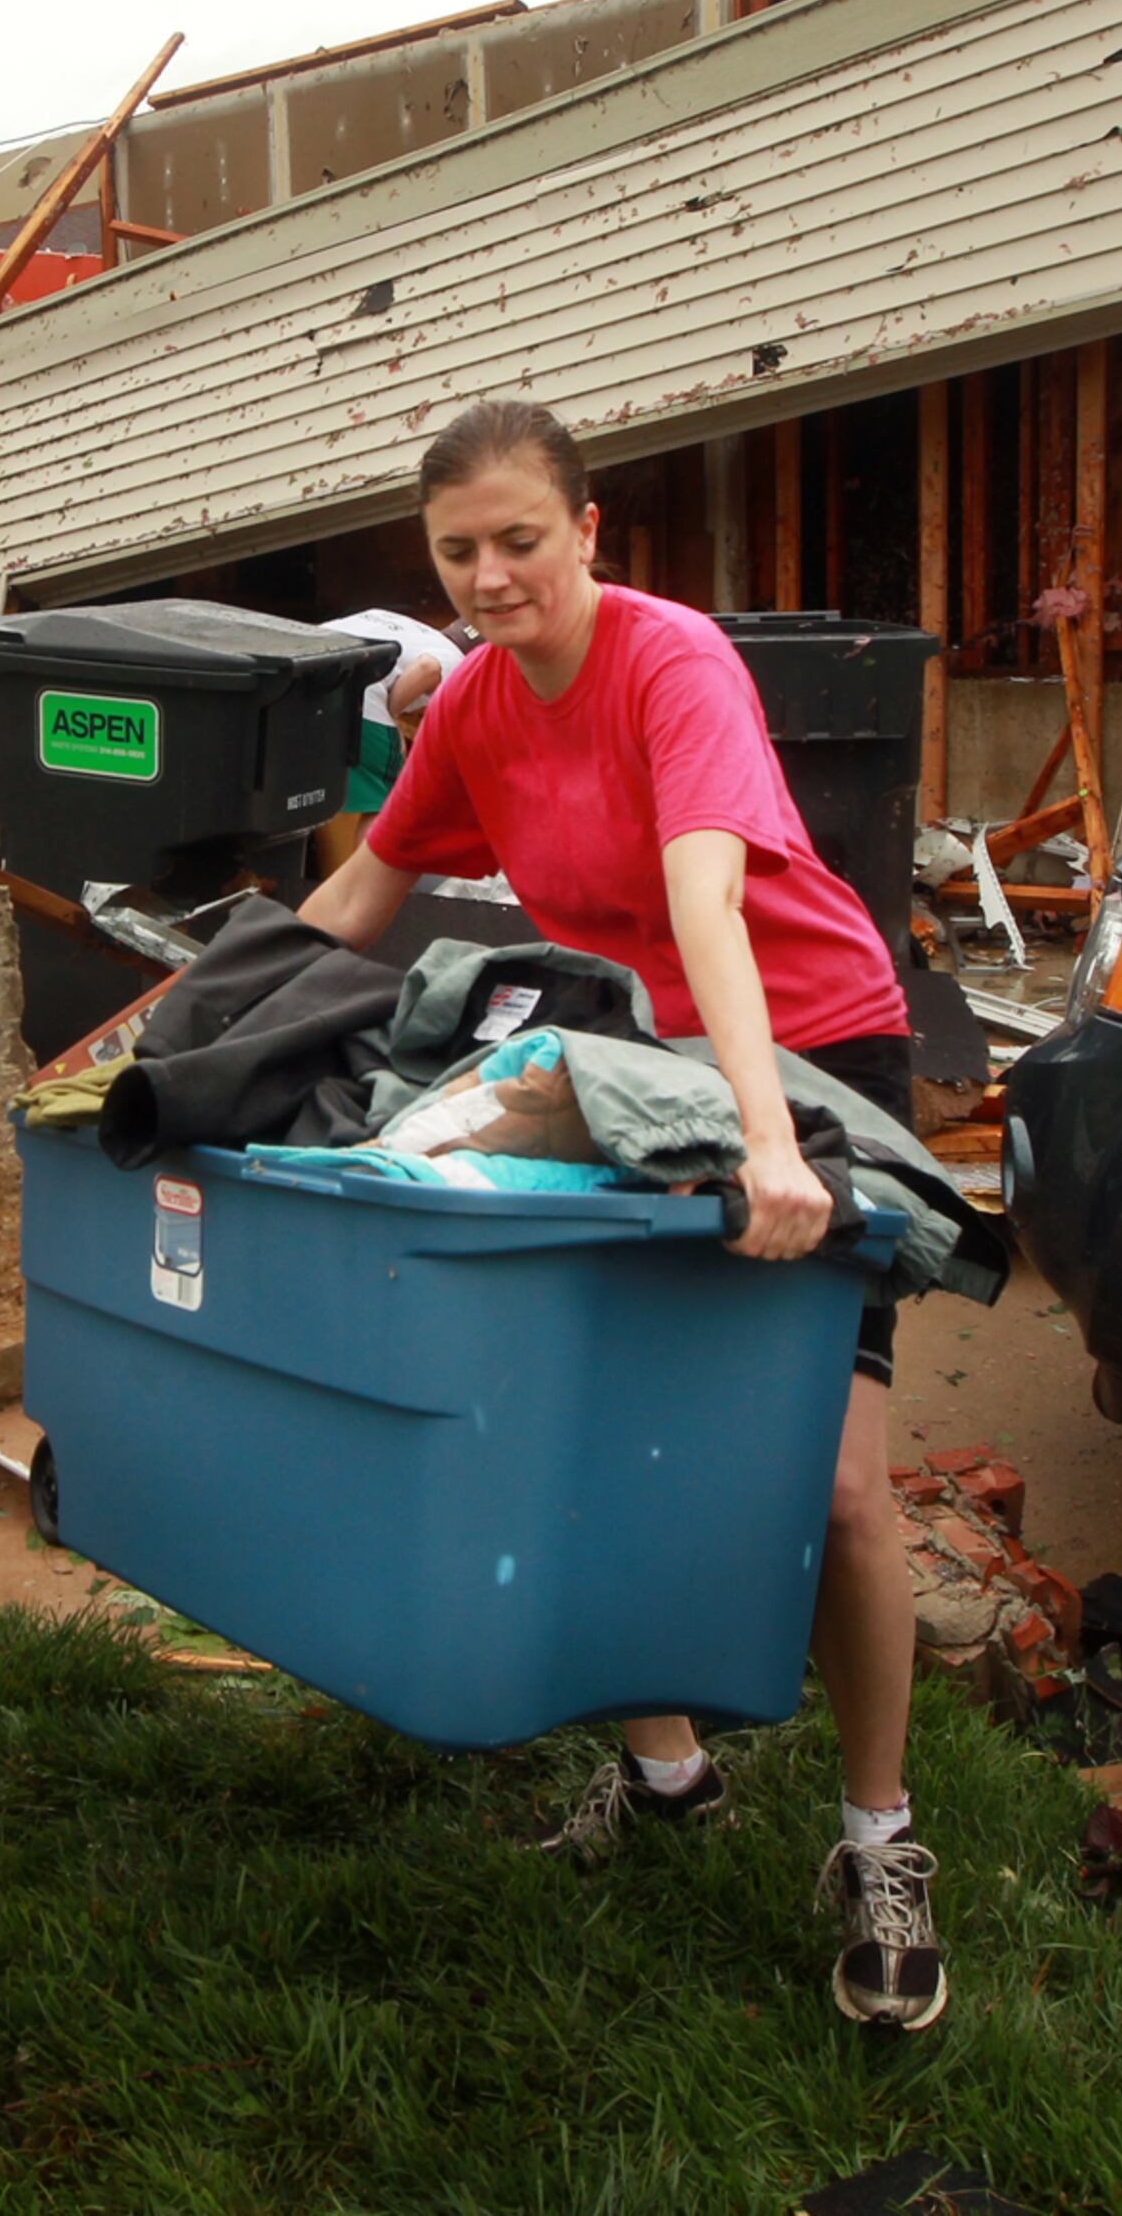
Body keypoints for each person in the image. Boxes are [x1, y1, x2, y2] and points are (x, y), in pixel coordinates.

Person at [293, 398, 949, 2034]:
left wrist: (770, 1145)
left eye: (522, 538)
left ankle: (878, 1836)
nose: (494, 574)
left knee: (844, 1487)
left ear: (592, 529)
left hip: (808, 1055)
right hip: (634, 1059)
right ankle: (667, 1769)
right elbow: (355, 901)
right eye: (459, 552)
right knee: (587, 1431)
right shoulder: (477, 709)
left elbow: (707, 903)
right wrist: (180, 1031)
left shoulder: (672, 665)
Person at [310, 606, 476, 875]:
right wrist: (393, 716)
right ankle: (365, 885)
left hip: (300, 674)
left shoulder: (410, 627)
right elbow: (428, 668)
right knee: (386, 803)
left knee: (297, 793)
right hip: (355, 690)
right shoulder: (458, 660)